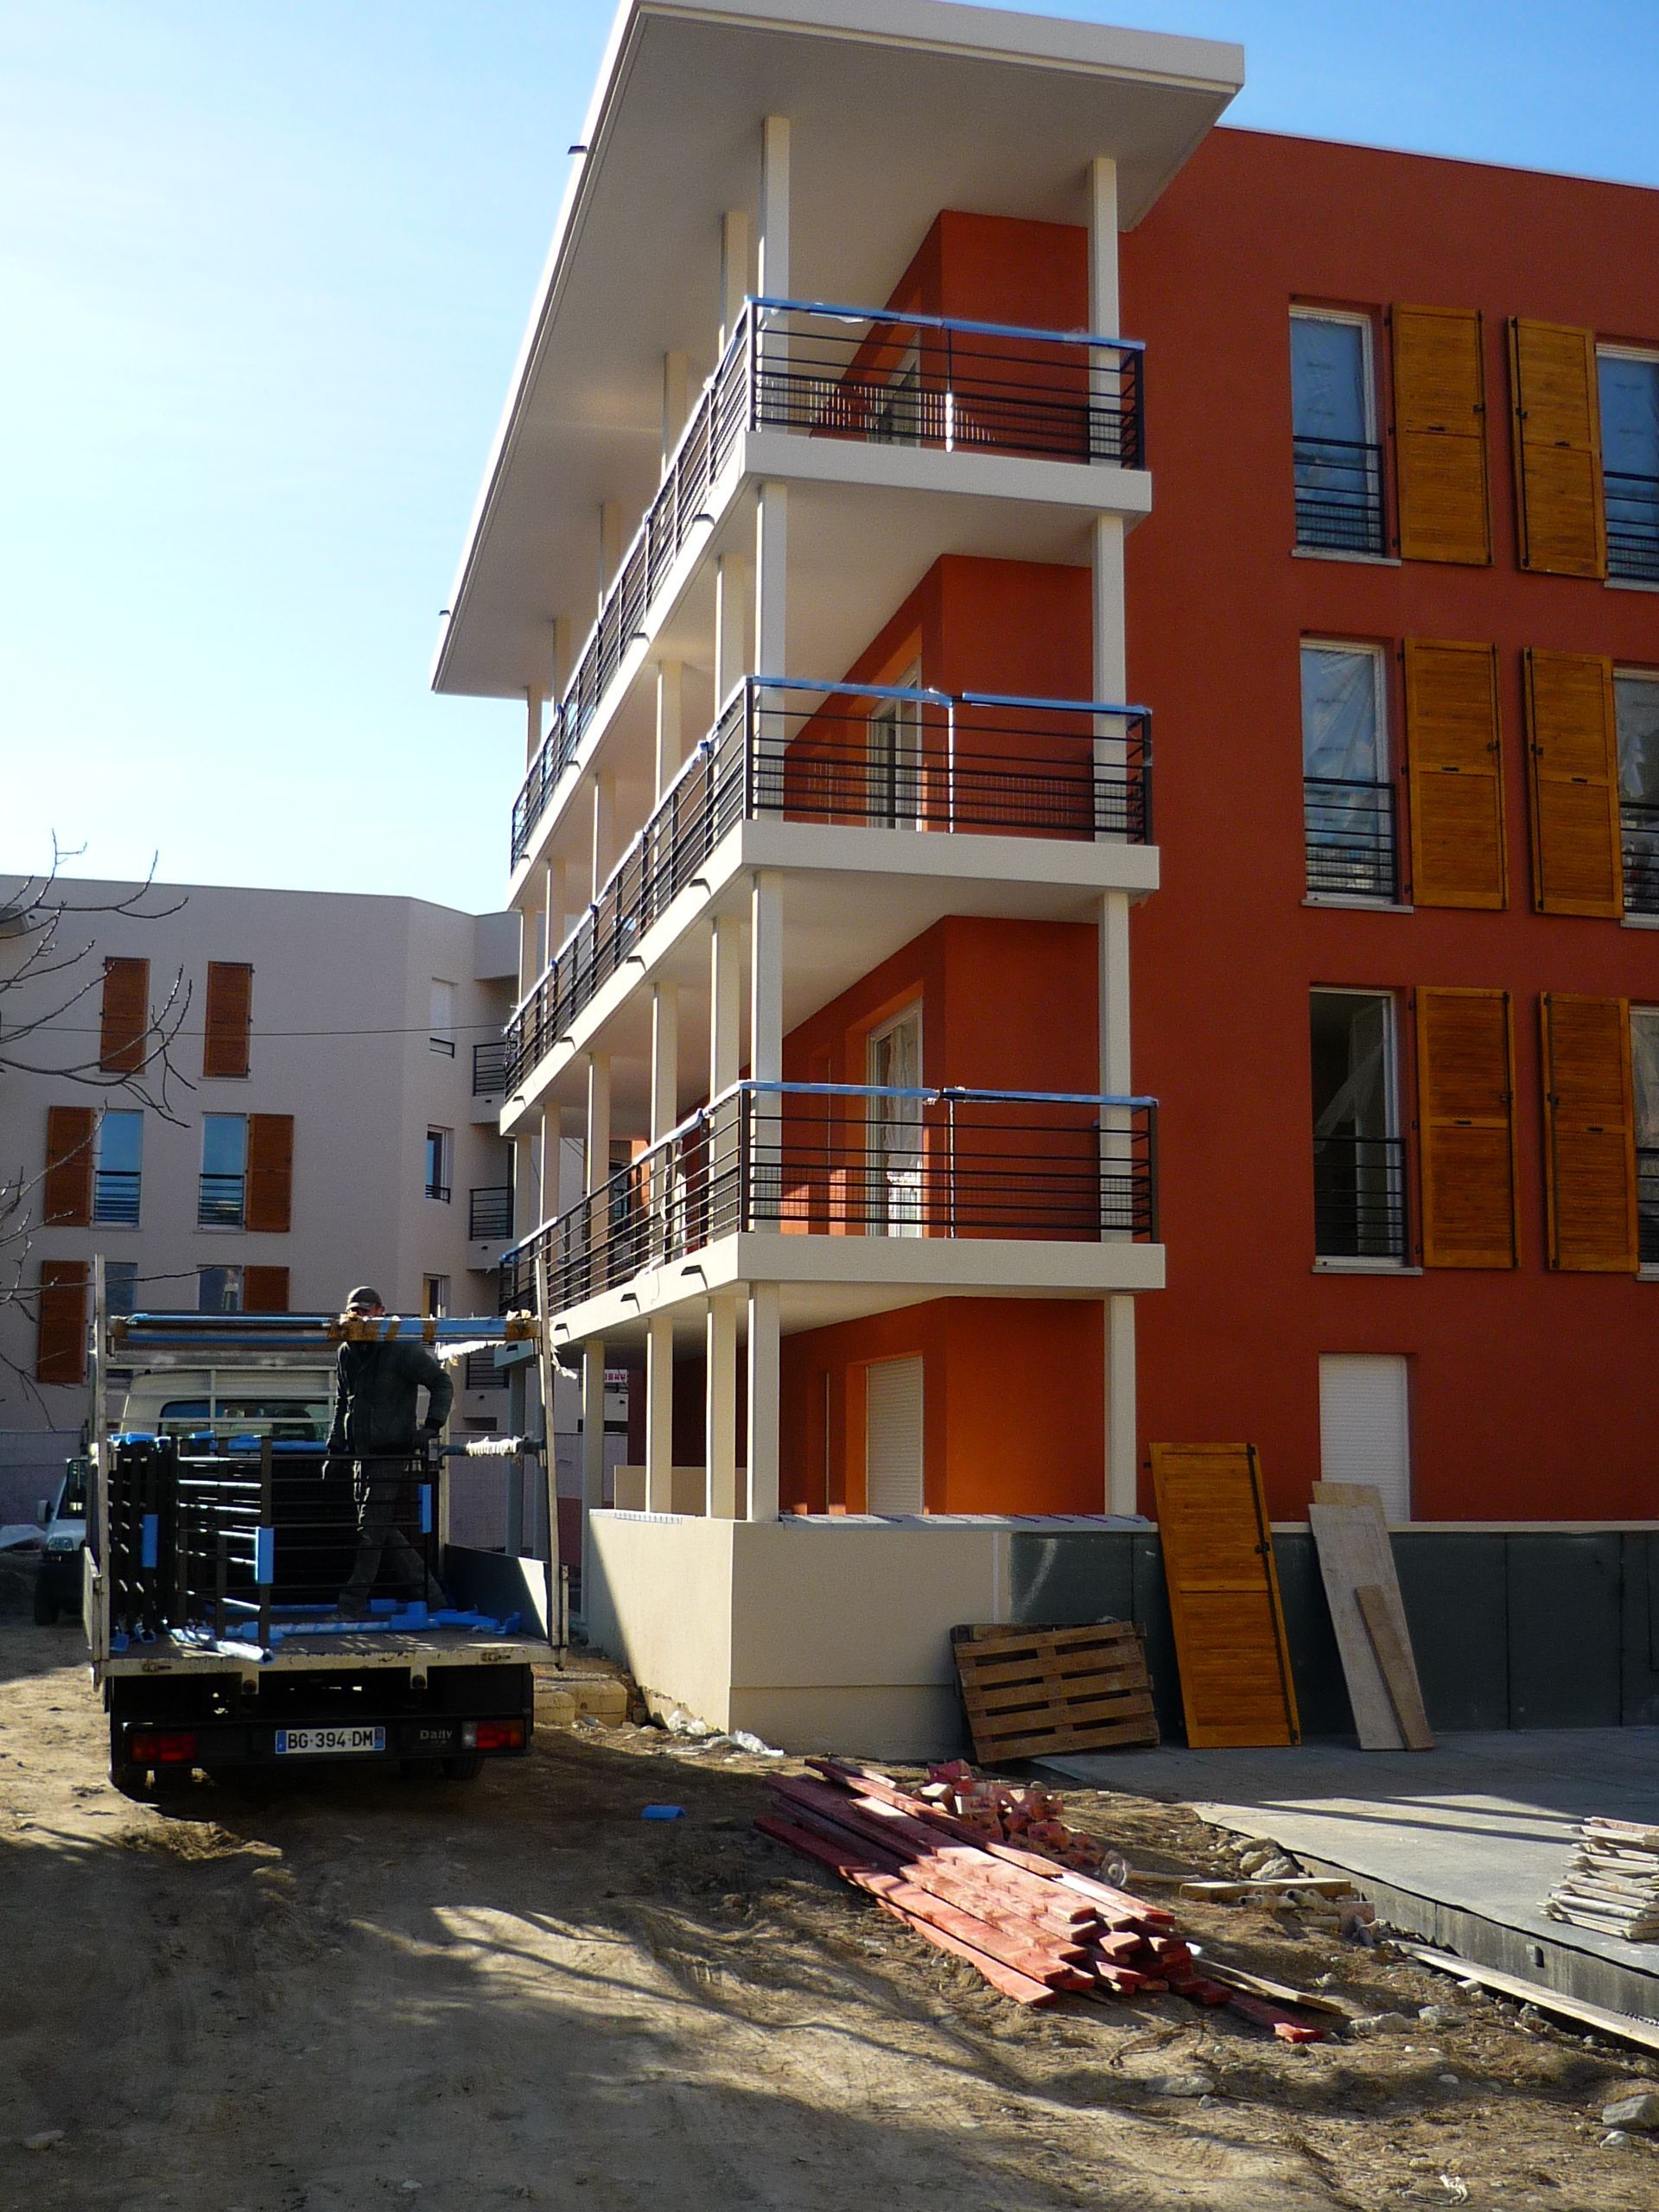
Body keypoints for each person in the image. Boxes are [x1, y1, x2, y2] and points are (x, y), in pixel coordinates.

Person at [327, 1286, 454, 1618]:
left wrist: (432, 1425)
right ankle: (434, 1595)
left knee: (371, 1528)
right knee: (377, 1527)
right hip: (361, 1453)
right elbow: (343, 1403)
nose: (361, 1316)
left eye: (367, 1310)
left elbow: (441, 1383)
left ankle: (350, 1605)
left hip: (392, 1451)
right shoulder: (346, 1351)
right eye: (355, 1310)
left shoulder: (402, 1350)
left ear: (381, 1312)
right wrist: (334, 1448)